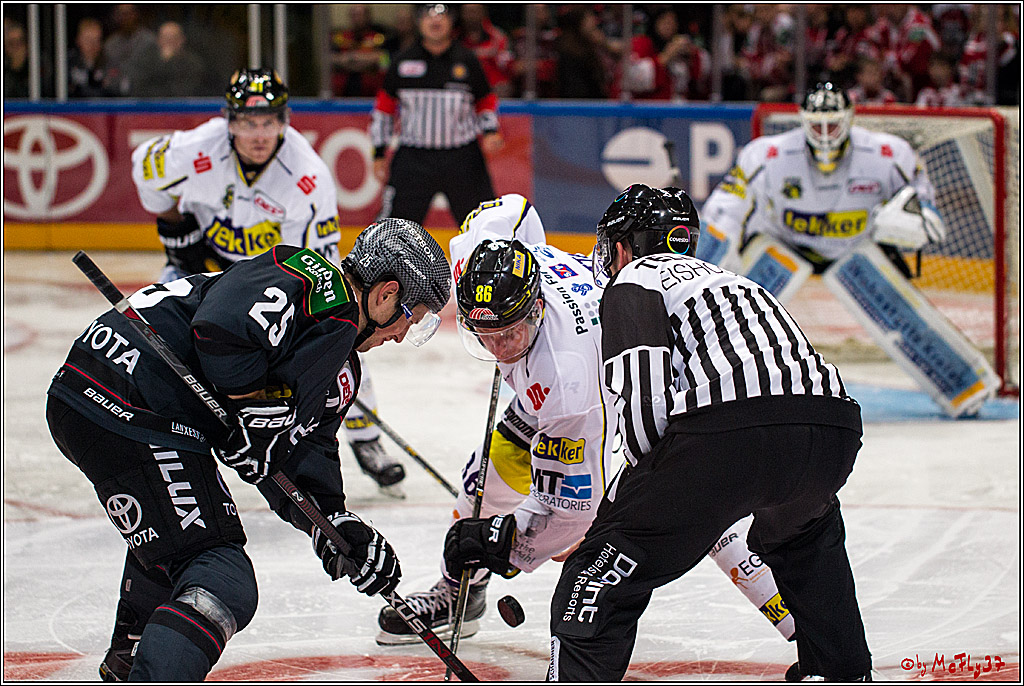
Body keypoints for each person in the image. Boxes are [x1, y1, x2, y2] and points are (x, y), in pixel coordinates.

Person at [46, 219, 451, 681]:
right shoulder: (311, 280)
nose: (401, 336)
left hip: (113, 400)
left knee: (184, 543)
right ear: (385, 295)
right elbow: (220, 327)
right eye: (410, 319)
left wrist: (335, 526)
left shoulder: (341, 365)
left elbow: (301, 452)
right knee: (222, 577)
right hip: (129, 396)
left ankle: (132, 658)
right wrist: (249, 404)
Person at [384, 194, 797, 647]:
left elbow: (572, 516)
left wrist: (508, 547)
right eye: (484, 335)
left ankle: (805, 629)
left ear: (536, 308)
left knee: (707, 514)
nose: (499, 348)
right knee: (485, 477)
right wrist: (483, 217)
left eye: (509, 334)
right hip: (599, 372)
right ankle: (457, 594)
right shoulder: (484, 264)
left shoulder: (569, 388)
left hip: (645, 395)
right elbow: (515, 210)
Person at [529, 183, 873, 681]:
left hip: (729, 437)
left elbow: (645, 400)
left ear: (624, 246)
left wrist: (632, 518)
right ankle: (843, 671)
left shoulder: (635, 279)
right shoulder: (736, 282)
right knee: (805, 537)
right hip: (831, 433)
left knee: (590, 581)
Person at [130, 68, 409, 508]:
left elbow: (324, 274)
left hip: (272, 281)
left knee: (342, 344)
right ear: (228, 120)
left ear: (285, 121)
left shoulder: (308, 178)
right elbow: (144, 168)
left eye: (269, 122)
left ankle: (366, 439)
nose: (258, 134)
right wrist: (176, 229)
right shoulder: (194, 149)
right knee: (155, 326)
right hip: (205, 270)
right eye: (246, 122)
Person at [698, 82, 998, 417]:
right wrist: (715, 254)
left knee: (898, 315)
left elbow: (926, 205)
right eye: (816, 125)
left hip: (852, 249)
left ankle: (966, 385)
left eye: (833, 124)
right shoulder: (767, 155)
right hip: (784, 244)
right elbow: (724, 208)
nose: (825, 134)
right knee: (738, 316)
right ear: (802, 121)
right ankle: (700, 382)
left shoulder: (887, 155)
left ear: (850, 119)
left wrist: (919, 220)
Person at [370, 3, 504, 228]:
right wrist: (379, 152)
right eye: (428, 16)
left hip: (463, 158)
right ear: (419, 22)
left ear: (451, 21)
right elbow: (384, 110)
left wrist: (490, 131)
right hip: (414, 159)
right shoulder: (402, 61)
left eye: (441, 16)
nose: (435, 21)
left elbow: (485, 101)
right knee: (391, 229)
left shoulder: (468, 60)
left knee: (486, 226)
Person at [133, 21, 208, 97]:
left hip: (180, 107)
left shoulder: (193, 63)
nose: (169, 42)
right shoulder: (146, 60)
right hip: (149, 107)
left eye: (173, 38)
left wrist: (169, 61)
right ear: (158, 40)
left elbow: (182, 91)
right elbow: (138, 88)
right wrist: (163, 62)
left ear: (182, 40)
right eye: (165, 38)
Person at [330, 4, 389, 98]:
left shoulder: (378, 38)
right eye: (354, 15)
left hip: (371, 92)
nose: (356, 18)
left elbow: (384, 61)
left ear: (368, 16)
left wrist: (350, 59)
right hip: (342, 92)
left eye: (360, 14)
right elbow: (332, 59)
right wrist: (366, 61)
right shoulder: (340, 38)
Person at [103, 4, 157, 96]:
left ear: (135, 15)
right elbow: (108, 73)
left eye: (128, 13)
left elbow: (155, 72)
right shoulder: (110, 44)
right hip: (115, 97)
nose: (125, 18)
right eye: (122, 14)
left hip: (145, 96)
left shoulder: (149, 41)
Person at [68, 18, 117, 98]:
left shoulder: (109, 63)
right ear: (78, 40)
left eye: (96, 40)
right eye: (88, 40)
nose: (92, 45)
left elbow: (116, 90)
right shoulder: (68, 63)